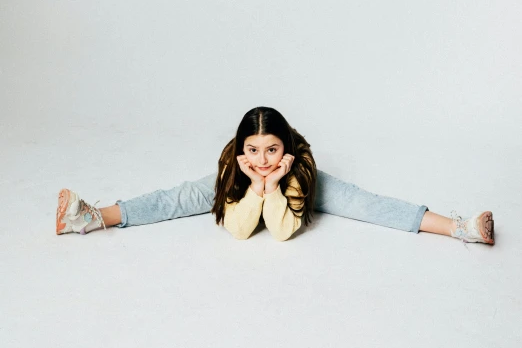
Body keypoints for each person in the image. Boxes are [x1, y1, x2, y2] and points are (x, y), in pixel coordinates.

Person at [55, 106, 495, 245]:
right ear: (241, 148)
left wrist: (272, 185)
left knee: (365, 204)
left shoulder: (298, 169)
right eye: (253, 150)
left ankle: (460, 227)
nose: (263, 158)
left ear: (285, 149)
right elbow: (241, 230)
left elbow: (282, 231)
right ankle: (93, 217)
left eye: (271, 150)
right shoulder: (235, 164)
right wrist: (254, 186)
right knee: (177, 198)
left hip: (294, 190)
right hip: (247, 188)